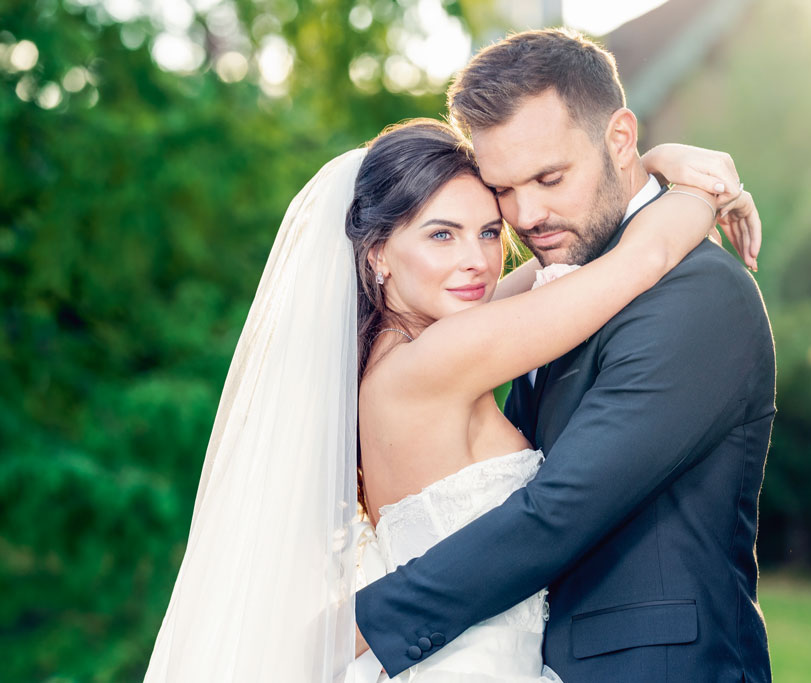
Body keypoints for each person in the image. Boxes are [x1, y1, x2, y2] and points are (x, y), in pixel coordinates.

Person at [141, 115, 758, 681]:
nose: (476, 261)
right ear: (377, 251)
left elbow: (555, 274)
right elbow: (641, 257)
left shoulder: (396, 353)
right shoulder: (444, 355)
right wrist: (699, 186)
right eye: (442, 235)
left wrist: (649, 164)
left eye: (489, 232)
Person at [354, 29, 776, 683]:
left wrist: (366, 624)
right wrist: (674, 174)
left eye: (550, 177)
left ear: (618, 139)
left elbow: (558, 510)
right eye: (506, 190)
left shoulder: (697, 294)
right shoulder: (547, 296)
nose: (527, 215)